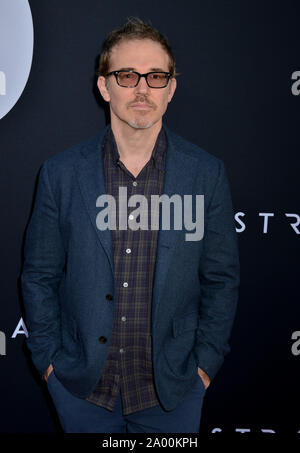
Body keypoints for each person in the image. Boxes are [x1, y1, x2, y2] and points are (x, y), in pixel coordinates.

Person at [21, 17, 239, 433]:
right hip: (81, 389)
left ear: (171, 88)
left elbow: (221, 279)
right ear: (104, 86)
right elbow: (39, 276)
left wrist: (204, 368)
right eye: (127, 75)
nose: (143, 88)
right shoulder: (61, 174)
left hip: (172, 391)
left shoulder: (205, 174)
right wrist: (49, 363)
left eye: (156, 76)